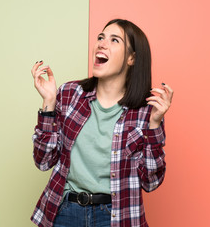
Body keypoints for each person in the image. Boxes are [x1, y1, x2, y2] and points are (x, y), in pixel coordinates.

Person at [30, 19, 173, 227]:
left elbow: (151, 182)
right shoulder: (69, 94)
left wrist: (154, 125)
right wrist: (49, 103)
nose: (102, 44)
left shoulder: (146, 111)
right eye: (100, 37)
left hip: (116, 216)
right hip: (66, 213)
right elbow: (43, 160)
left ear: (132, 58)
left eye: (114, 40)